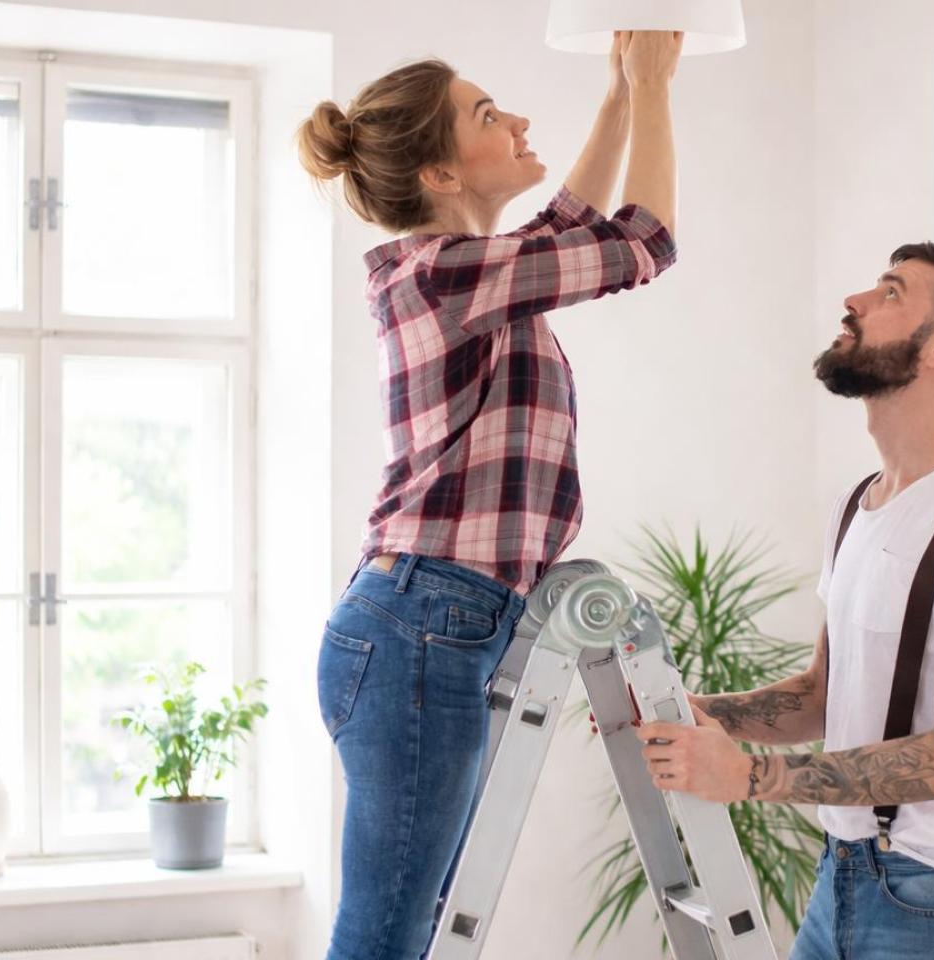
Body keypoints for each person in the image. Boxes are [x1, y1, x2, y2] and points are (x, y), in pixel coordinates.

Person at [296, 31, 684, 960]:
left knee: (412, 925)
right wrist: (657, 87)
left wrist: (623, 96)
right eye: (486, 114)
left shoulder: (468, 275)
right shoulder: (445, 274)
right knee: (389, 933)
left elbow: (564, 228)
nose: (514, 120)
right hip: (422, 623)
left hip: (427, 620)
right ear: (438, 172)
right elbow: (643, 243)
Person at [636, 242, 934, 960]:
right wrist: (697, 714)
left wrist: (750, 776)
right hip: (842, 879)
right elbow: (822, 695)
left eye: (891, 293)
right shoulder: (859, 505)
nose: (855, 302)